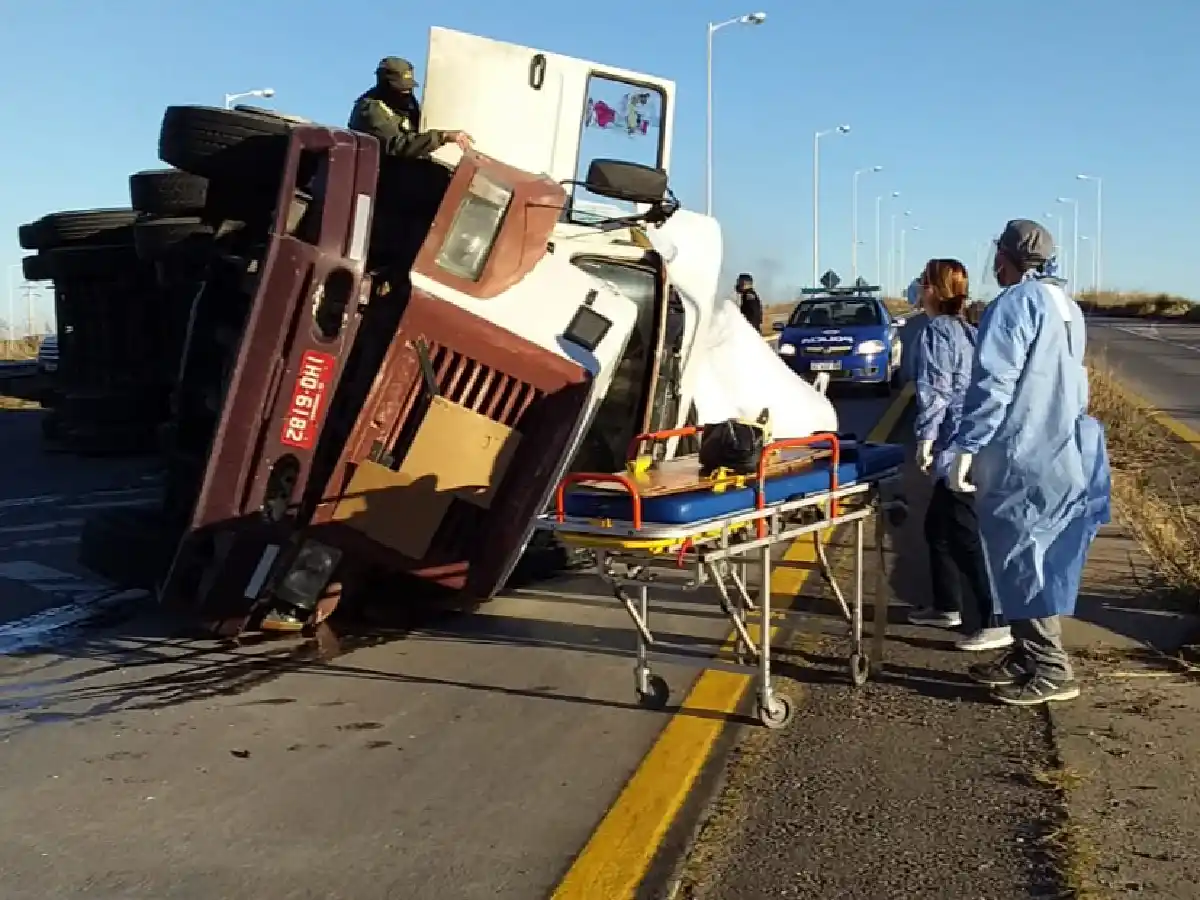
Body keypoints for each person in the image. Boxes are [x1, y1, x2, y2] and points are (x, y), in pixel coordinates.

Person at [945, 219, 1111, 706]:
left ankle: (1052, 668)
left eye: (998, 254)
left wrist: (967, 445)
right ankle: (1024, 653)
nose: (994, 263)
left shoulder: (1014, 305)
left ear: (1010, 257)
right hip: (1063, 446)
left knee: (1022, 560)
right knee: (1031, 555)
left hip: (1021, 450)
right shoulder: (1067, 307)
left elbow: (995, 384)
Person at [907, 259, 1009, 651]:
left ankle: (994, 619)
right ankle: (946, 604)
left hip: (955, 441)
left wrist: (925, 439)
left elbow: (937, 390)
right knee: (939, 528)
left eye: (922, 281)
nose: (916, 287)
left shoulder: (937, 331)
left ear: (933, 289)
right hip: (974, 438)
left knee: (966, 531)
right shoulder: (969, 330)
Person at [348, 57, 473, 158]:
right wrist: (441, 136)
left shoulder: (406, 104)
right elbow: (397, 145)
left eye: (409, 89)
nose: (407, 93)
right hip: (385, 177)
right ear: (385, 85)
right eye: (401, 89)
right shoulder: (370, 109)